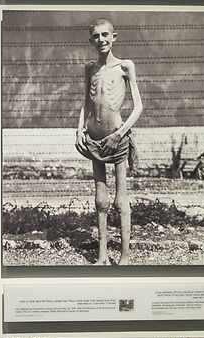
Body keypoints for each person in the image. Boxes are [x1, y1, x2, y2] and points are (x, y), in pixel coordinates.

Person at [75, 18, 142, 265]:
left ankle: (124, 258)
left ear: (114, 37)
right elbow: (86, 103)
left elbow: (138, 107)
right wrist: (79, 129)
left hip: (117, 138)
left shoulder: (125, 66)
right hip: (94, 138)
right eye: (96, 36)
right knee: (100, 198)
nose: (101, 40)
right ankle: (102, 256)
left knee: (120, 199)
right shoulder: (90, 68)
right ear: (91, 40)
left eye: (105, 35)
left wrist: (120, 133)